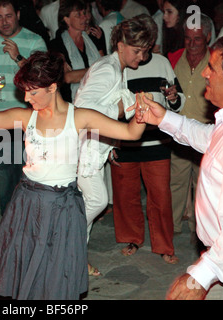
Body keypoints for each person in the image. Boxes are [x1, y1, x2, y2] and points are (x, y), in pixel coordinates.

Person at [0, 50, 146, 300]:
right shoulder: (26, 117)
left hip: (62, 206)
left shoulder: (80, 117)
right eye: (25, 91)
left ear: (52, 87)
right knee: (25, 267)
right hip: (27, 203)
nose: (26, 98)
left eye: (32, 91)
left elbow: (131, 133)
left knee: (56, 273)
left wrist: (143, 113)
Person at [137, 34, 223, 300]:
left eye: (212, 67)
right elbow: (209, 138)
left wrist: (201, 276)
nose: (205, 73)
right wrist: (164, 118)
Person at [73, 14, 156, 275]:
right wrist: (120, 108)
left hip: (94, 148)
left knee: (88, 203)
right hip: (83, 149)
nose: (141, 58)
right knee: (97, 202)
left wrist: (109, 145)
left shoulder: (114, 67)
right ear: (120, 45)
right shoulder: (108, 69)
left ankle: (74, 259)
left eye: (145, 52)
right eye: (137, 51)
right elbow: (83, 109)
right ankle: (60, 238)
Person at [110, 15, 184, 264]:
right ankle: (132, 238)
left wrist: (173, 97)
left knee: (160, 197)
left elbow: (178, 101)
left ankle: (164, 245)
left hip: (156, 142)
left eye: (145, 45)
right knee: (125, 194)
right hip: (124, 139)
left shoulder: (162, 63)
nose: (140, 54)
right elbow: (109, 106)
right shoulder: (117, 65)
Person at [0, 0, 47, 216]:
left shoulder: (34, 40)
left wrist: (18, 57)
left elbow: (42, 77)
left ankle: (29, 219)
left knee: (31, 175)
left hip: (29, 120)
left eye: (8, 16)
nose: (4, 22)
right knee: (5, 176)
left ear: (17, 14)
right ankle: (9, 221)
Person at [167, 14, 216, 238]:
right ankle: (173, 227)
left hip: (206, 132)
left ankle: (200, 231)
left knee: (203, 186)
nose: (192, 44)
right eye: (187, 38)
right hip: (179, 133)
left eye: (197, 39)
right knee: (176, 182)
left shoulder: (216, 62)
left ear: (207, 37)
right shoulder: (175, 58)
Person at [49, 0, 103, 102]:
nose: (85, 17)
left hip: (99, 98)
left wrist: (78, 74)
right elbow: (67, 77)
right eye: (78, 15)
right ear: (66, 19)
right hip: (71, 103)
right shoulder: (57, 44)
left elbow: (106, 66)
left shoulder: (94, 38)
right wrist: (98, 70)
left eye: (84, 13)